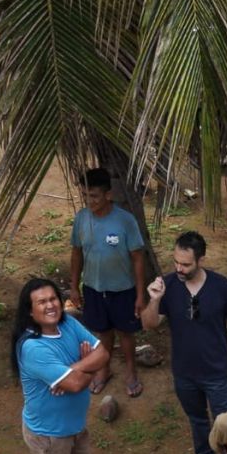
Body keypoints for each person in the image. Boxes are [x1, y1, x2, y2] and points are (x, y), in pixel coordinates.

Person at [12, 277, 127, 454]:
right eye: (42, 302)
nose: (50, 305)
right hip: (48, 433)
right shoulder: (33, 348)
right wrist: (86, 366)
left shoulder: (68, 323)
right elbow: (78, 382)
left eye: (53, 299)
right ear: (30, 311)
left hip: (73, 422)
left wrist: (75, 367)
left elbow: (104, 354)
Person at [141, 231, 227, 454]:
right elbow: (149, 324)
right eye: (176, 262)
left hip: (216, 370)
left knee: (224, 420)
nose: (179, 268)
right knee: (197, 418)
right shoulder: (167, 286)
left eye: (186, 264)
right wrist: (154, 300)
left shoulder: (221, 286)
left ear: (201, 259)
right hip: (184, 372)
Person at [68, 167, 148, 397]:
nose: (89, 201)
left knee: (125, 333)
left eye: (94, 195)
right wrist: (74, 286)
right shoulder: (81, 219)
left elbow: (137, 258)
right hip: (93, 288)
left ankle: (131, 371)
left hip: (123, 290)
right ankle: (104, 369)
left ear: (108, 195)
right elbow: (76, 253)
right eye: (85, 196)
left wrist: (140, 295)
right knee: (102, 332)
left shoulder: (125, 221)